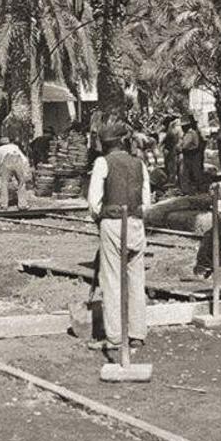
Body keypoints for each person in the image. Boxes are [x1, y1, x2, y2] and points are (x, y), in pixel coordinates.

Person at [86, 122, 151, 353]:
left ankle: (114, 336)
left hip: (112, 222)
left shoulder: (103, 163)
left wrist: (99, 217)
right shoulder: (139, 164)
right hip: (136, 223)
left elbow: (93, 202)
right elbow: (147, 201)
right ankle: (137, 332)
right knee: (136, 278)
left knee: (112, 280)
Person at [0, 135, 30, 210]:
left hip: (7, 162)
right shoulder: (15, 147)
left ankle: (4, 205)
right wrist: (26, 171)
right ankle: (23, 205)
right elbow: (24, 159)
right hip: (18, 161)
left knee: (4, 183)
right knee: (21, 183)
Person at [179, 113, 206, 193]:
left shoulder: (191, 133)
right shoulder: (187, 134)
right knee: (186, 172)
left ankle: (200, 188)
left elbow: (185, 145)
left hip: (192, 154)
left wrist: (180, 147)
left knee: (195, 172)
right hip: (189, 154)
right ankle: (189, 189)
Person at [161, 115, 180, 182]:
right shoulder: (174, 129)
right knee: (171, 165)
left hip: (170, 149)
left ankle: (171, 179)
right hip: (171, 149)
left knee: (171, 165)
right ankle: (171, 178)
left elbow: (167, 140)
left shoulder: (171, 130)